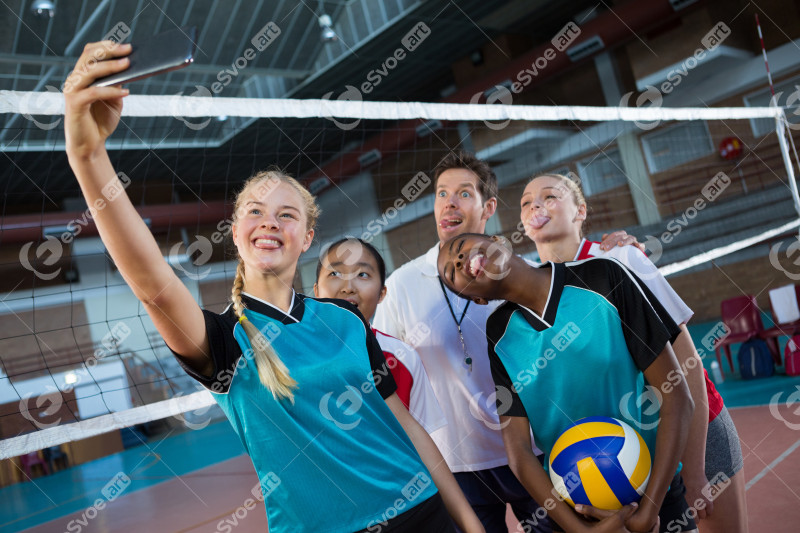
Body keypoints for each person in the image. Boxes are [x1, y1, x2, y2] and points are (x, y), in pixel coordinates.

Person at [63, 41, 484, 533]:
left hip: (425, 516)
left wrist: (470, 525)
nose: (270, 223)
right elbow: (153, 286)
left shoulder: (344, 319)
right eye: (255, 212)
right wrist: (87, 154)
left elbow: (409, 430)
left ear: (306, 238)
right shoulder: (223, 342)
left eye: (287, 215)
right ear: (238, 233)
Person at [373, 151, 638, 532]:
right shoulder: (402, 283)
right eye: (441, 193)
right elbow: (390, 371)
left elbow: (578, 268)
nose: (449, 202)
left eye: (464, 193)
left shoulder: (518, 274)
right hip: (458, 463)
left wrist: (618, 248)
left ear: (489, 206)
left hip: (536, 452)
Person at [519, 174, 747, 533]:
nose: (535, 205)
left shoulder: (621, 257)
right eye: (526, 201)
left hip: (691, 425)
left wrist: (694, 468)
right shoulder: (531, 292)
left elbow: (688, 365)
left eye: (549, 196)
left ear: (580, 211)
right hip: (621, 445)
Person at [437, 232, 695, 533]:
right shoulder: (499, 334)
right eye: (451, 272)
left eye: (459, 248)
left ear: (498, 239)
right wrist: (579, 530)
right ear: (477, 298)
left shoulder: (602, 276)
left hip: (654, 489)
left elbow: (677, 397)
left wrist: (649, 509)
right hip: (577, 500)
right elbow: (519, 452)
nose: (458, 260)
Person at [314, 237, 447, 434]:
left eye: (363, 274)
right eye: (335, 273)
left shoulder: (403, 357)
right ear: (316, 290)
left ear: (382, 293)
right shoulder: (294, 353)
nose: (348, 287)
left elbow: (423, 441)